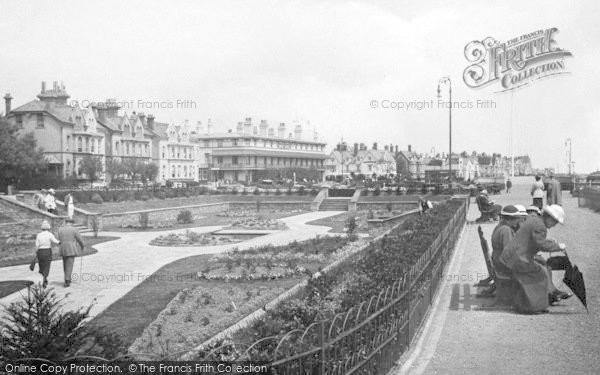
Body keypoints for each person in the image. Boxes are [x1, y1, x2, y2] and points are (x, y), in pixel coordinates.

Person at [499, 205, 571, 314]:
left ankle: (534, 305)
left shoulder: (536, 221)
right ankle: (532, 307)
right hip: (518, 259)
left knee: (540, 270)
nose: (554, 225)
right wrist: (558, 247)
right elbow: (541, 244)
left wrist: (551, 242)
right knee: (541, 273)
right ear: (549, 218)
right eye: (555, 222)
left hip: (512, 257)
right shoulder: (540, 226)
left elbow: (535, 241)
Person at [490, 205, 521, 304]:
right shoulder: (506, 230)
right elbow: (509, 251)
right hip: (503, 266)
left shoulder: (499, 227)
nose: (518, 221)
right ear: (510, 219)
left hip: (498, 262)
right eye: (517, 219)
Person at [57, 218, 85, 287]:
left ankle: (67, 278)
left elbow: (59, 238)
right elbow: (79, 239)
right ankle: (67, 280)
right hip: (71, 248)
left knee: (65, 264)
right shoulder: (74, 229)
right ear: (71, 222)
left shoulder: (60, 229)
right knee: (69, 264)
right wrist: (82, 246)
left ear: (66, 222)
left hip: (63, 248)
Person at [33, 220, 60, 288]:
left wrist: (36, 253)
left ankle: (44, 277)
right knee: (47, 265)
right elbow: (55, 241)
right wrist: (60, 242)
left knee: (41, 265)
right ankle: (45, 278)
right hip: (47, 251)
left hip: (40, 251)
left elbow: (37, 245)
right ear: (48, 228)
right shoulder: (49, 234)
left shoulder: (38, 235)